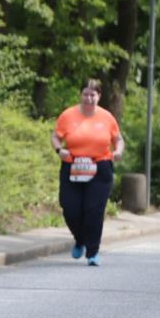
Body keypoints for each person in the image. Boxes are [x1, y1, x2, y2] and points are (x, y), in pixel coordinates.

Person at [50, 79, 124, 267]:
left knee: (94, 211)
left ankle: (92, 252)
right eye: (85, 94)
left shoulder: (107, 117)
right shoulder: (68, 115)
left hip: (100, 167)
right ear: (80, 95)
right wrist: (60, 150)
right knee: (70, 207)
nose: (89, 98)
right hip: (72, 166)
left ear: (99, 96)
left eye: (93, 95)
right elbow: (55, 137)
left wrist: (118, 152)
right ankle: (80, 239)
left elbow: (118, 139)